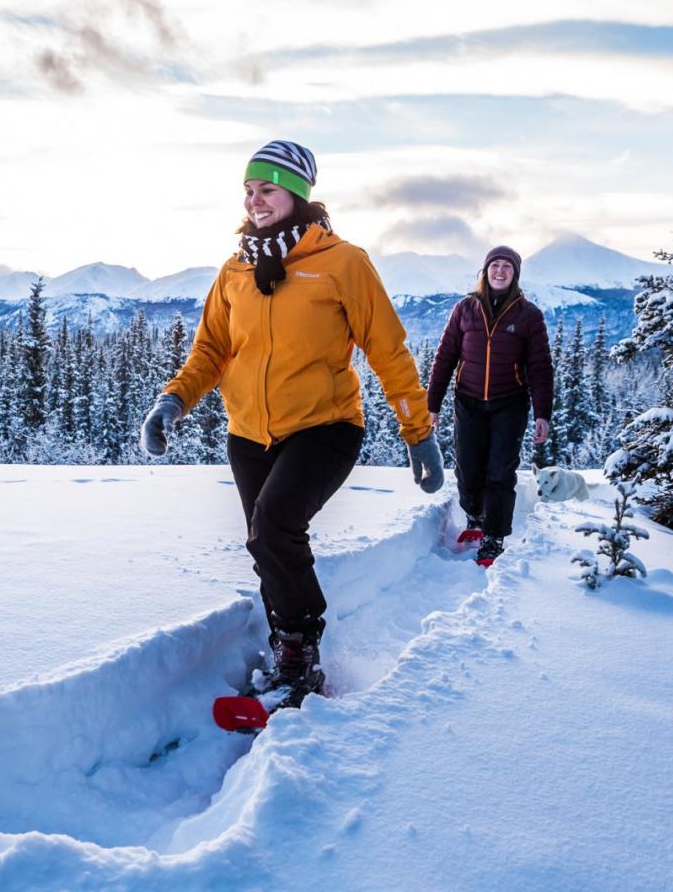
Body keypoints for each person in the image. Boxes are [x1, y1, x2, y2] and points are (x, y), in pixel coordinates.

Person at [139, 140, 443, 708]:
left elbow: (388, 351)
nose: (255, 201)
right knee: (265, 540)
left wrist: (418, 434)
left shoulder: (343, 263)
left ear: (298, 194)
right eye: (249, 191)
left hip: (325, 427)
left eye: (267, 189)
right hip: (249, 432)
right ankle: (286, 644)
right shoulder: (235, 270)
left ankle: (301, 653)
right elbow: (211, 349)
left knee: (275, 524)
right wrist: (174, 400)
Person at [427, 245, 553, 567]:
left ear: (515, 274)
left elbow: (540, 367)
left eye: (506, 267)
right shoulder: (465, 309)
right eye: (494, 265)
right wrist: (433, 405)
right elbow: (445, 358)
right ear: (485, 271)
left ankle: (494, 537)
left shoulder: (528, 315)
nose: (500, 271)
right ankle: (474, 519)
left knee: (500, 471)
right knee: (468, 467)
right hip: (467, 401)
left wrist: (542, 413)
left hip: (509, 403)